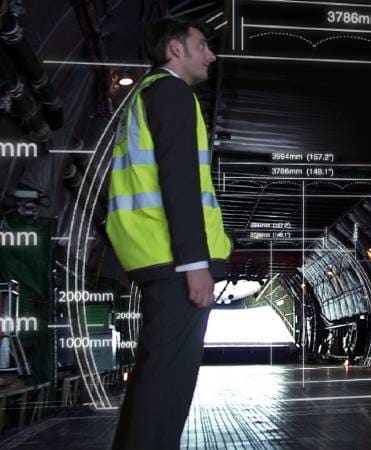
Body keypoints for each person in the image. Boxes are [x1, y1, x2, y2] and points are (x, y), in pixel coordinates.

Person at [106, 17, 231, 450]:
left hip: (155, 254)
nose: (211, 54)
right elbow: (178, 181)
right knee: (168, 383)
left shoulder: (146, 96)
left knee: (157, 375)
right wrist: (195, 264)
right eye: (202, 45)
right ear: (175, 50)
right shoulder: (171, 93)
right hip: (173, 258)